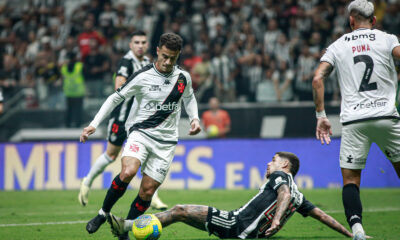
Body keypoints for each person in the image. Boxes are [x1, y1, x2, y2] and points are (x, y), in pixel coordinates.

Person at [79, 32, 201, 239]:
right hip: (141, 134)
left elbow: (189, 98)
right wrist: (93, 124)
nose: (168, 61)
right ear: (157, 51)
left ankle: (123, 230)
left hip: (167, 142)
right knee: (128, 172)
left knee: (147, 191)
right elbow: (114, 98)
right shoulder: (143, 76)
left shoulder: (183, 77)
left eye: (173, 57)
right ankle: (102, 214)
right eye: (164, 56)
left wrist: (194, 119)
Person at [108, 152, 353, 239]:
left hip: (235, 224)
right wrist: (350, 234)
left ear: (285, 166)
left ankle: (126, 226)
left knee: (180, 209)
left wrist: (277, 219)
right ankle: (127, 226)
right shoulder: (300, 197)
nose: (269, 164)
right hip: (246, 231)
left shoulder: (282, 179)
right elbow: (321, 216)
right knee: (181, 214)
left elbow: (284, 194)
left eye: (274, 160)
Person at [312, 1, 400, 240]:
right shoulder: (388, 39)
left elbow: (317, 79)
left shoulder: (337, 46)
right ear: (373, 21)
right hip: (386, 116)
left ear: (351, 21)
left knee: (351, 179)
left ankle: (358, 231)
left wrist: (321, 116)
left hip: (354, 121)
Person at [79, 30, 169, 210]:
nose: (141, 45)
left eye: (143, 42)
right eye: (137, 42)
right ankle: (87, 181)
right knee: (111, 155)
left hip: (140, 120)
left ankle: (154, 197)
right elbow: (118, 87)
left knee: (147, 156)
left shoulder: (147, 62)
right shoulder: (126, 62)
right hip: (121, 118)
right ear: (131, 45)